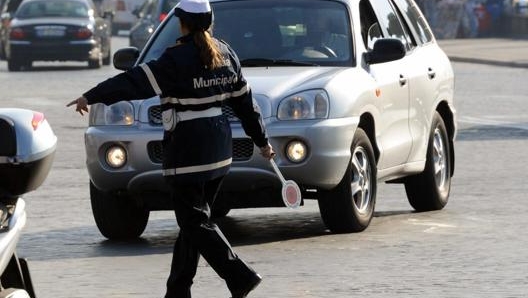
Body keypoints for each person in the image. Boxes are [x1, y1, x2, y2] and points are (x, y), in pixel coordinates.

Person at [66, 0, 274, 297]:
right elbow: (246, 106)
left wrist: (93, 95)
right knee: (195, 224)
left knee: (193, 222)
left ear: (182, 23)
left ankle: (239, 275)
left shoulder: (175, 58)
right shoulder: (226, 53)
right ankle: (178, 290)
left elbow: (133, 82)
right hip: (220, 151)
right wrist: (262, 142)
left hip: (188, 149)